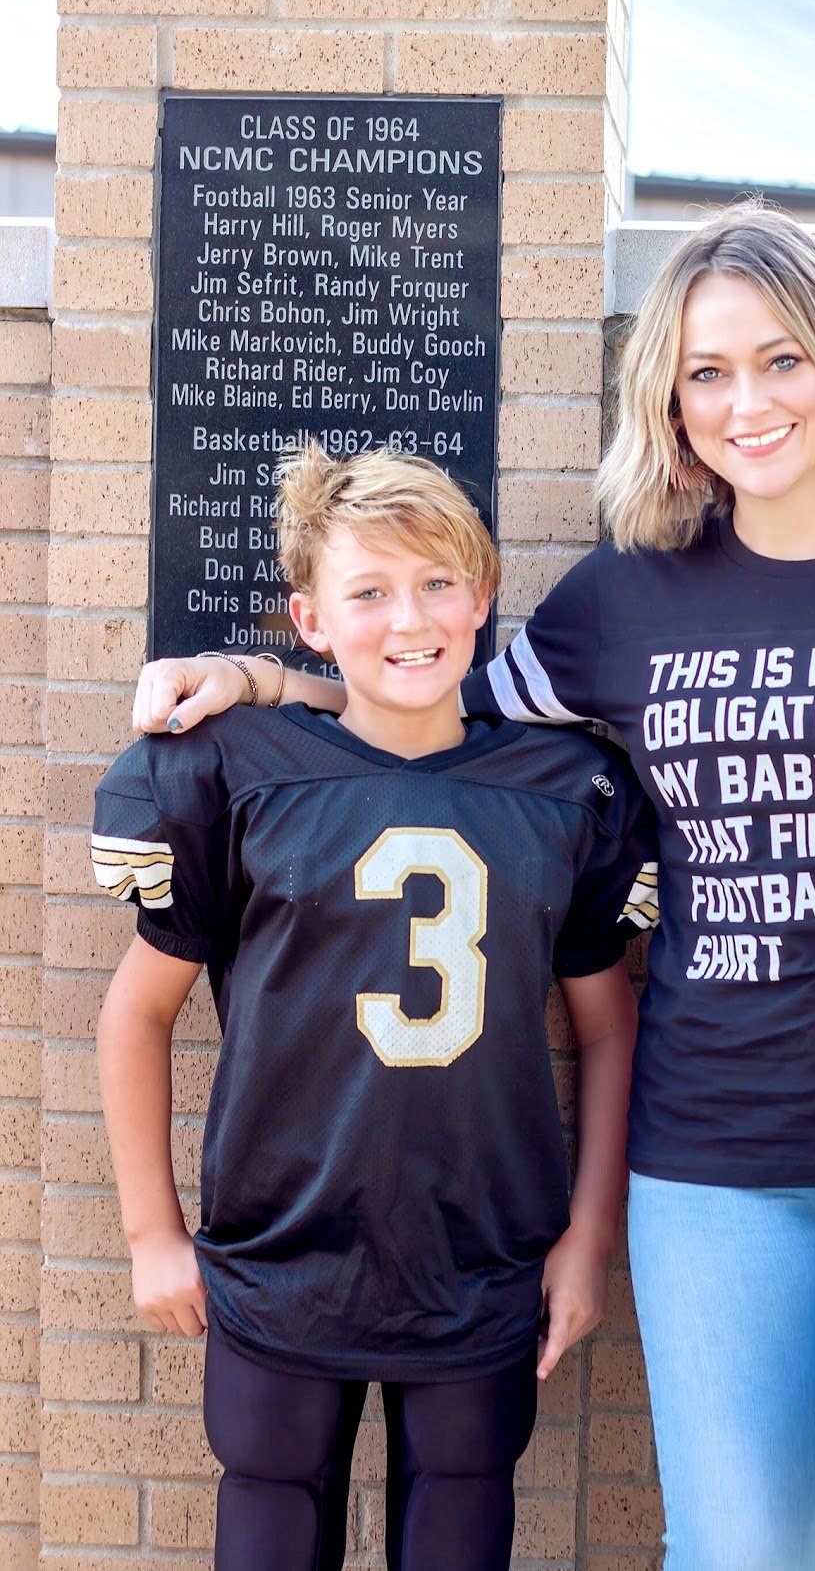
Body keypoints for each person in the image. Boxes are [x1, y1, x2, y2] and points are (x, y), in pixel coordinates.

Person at [132, 204, 815, 1571]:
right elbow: (426, 702)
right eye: (704, 372)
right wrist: (249, 679)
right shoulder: (626, 600)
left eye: (777, 361)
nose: (744, 402)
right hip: (711, 1155)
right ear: (666, 397)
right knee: (742, 1549)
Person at [95, 443, 657, 1571]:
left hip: (481, 1249)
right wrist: (154, 1232)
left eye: (439, 583)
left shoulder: (562, 791)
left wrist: (589, 1236)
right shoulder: (244, 772)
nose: (411, 617)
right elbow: (135, 1014)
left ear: (484, 593)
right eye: (371, 592)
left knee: (458, 1522)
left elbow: (607, 1030)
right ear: (311, 619)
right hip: (280, 1244)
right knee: (268, 1515)